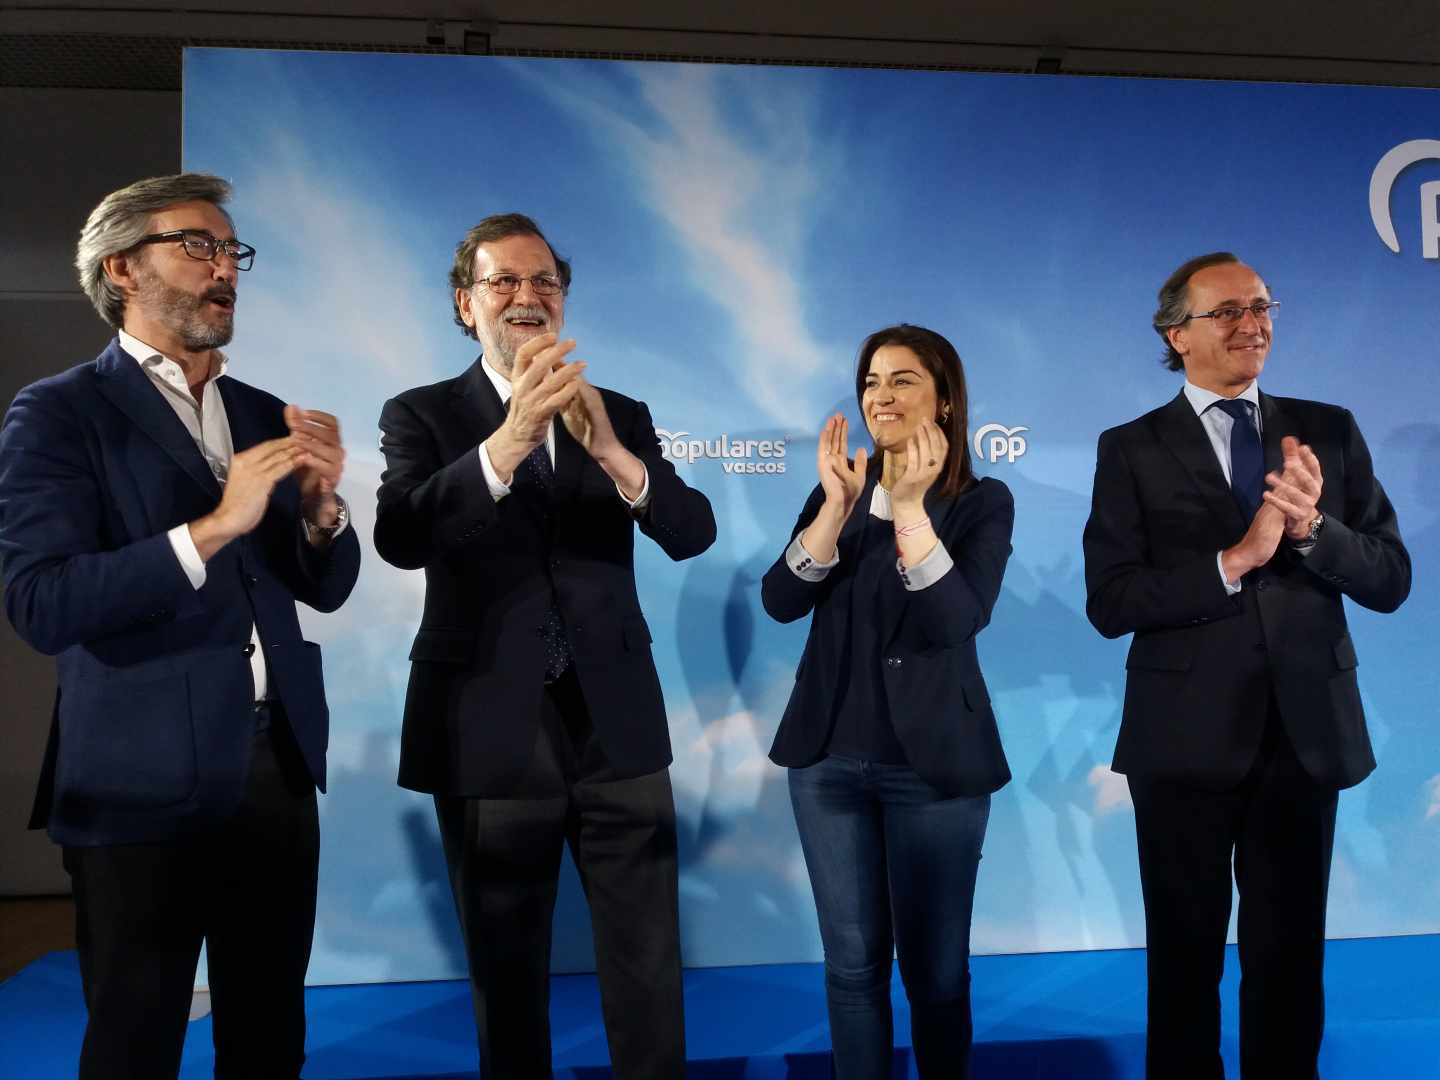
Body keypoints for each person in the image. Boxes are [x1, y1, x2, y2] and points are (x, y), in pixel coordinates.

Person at [0, 173, 360, 1079]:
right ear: (122, 267)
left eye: (231, 250)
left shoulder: (258, 411)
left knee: (271, 1033)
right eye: (196, 245)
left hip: (275, 769)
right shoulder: (59, 412)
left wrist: (323, 515)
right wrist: (213, 527)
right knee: (135, 1038)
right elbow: (42, 602)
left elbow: (321, 589)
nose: (224, 267)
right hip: (135, 778)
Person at [374, 212, 715, 1078]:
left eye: (544, 284)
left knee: (646, 962)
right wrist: (511, 439)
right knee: (506, 964)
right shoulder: (422, 413)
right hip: (489, 725)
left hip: (616, 726)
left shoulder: (622, 411)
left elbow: (691, 530)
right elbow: (402, 535)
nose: (527, 298)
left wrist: (608, 451)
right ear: (466, 304)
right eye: (504, 282)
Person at [1082, 252, 1411, 1078]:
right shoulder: (1130, 448)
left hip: (1303, 740)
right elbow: (1112, 601)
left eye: (1262, 306)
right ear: (1176, 334)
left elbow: (1390, 578)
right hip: (1183, 744)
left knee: (1290, 964)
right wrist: (1234, 559)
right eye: (1227, 311)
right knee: (1184, 966)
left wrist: (1310, 534)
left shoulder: (1326, 429)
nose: (1252, 324)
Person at [761, 324, 1014, 1078]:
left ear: (944, 400)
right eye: (871, 380)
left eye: (903, 379)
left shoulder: (981, 502)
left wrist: (909, 509)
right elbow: (780, 600)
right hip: (827, 765)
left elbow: (954, 620)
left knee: (935, 978)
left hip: (934, 772)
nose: (881, 394)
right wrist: (838, 507)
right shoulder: (836, 489)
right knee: (851, 969)